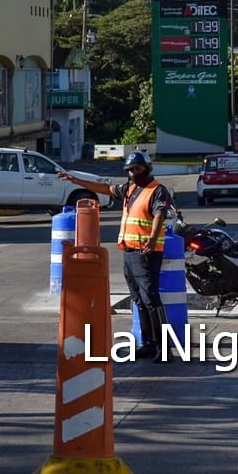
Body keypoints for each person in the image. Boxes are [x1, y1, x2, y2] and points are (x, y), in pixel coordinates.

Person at [57, 151, 175, 363]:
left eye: (136, 169)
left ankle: (163, 348)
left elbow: (159, 215)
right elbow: (106, 189)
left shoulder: (157, 190)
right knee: (138, 300)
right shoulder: (130, 189)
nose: (132, 173)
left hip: (146, 252)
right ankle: (147, 344)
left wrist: (152, 237)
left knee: (151, 299)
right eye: (130, 170)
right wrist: (75, 181)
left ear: (147, 168)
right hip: (129, 252)